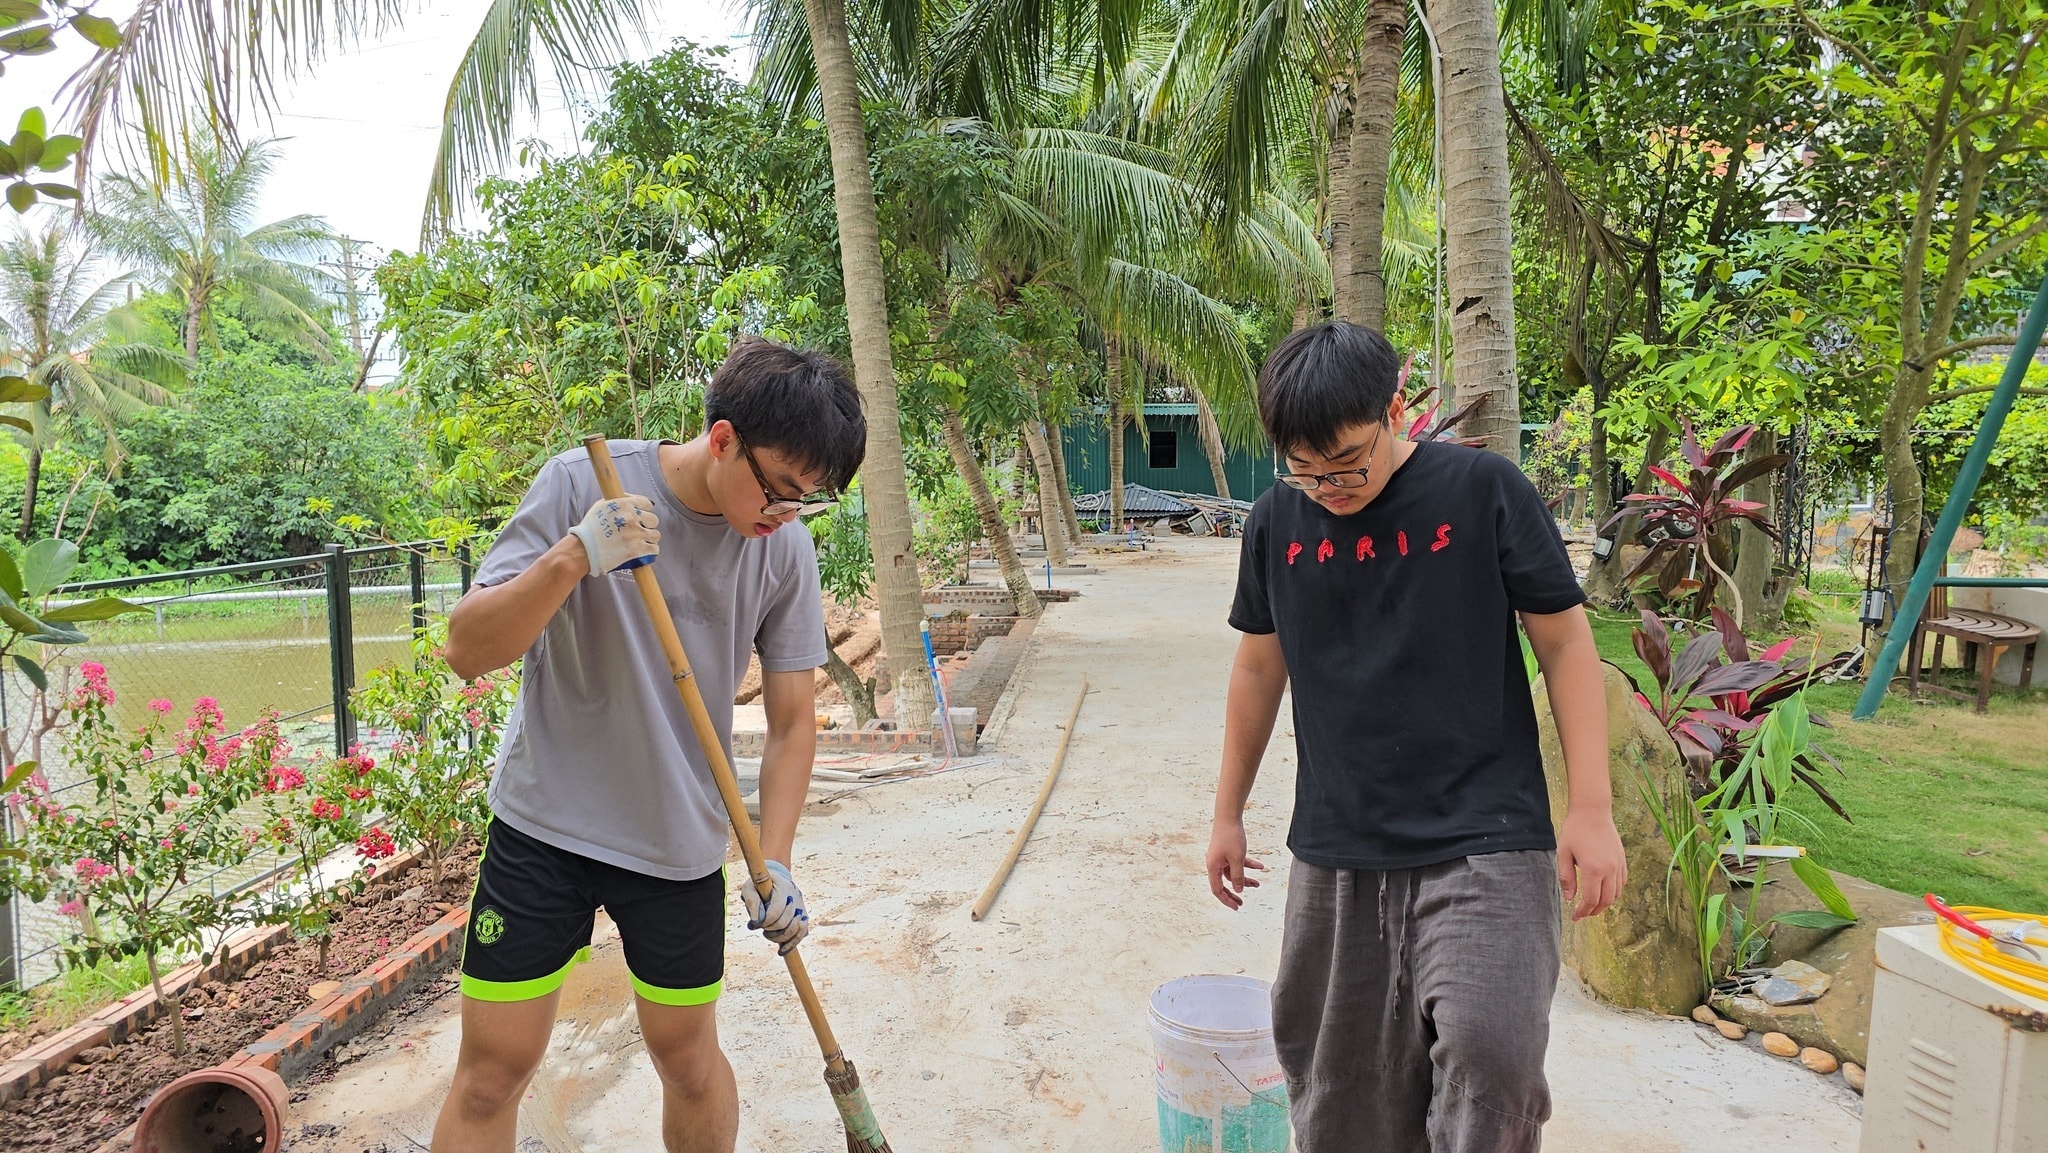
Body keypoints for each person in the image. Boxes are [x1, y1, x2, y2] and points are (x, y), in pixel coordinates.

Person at [431, 339, 865, 1153]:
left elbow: (793, 721)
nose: (783, 515)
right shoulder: (581, 483)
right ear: (725, 437)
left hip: (679, 841)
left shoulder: (784, 551)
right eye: (778, 491)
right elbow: (465, 648)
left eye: (807, 501)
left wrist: (776, 860)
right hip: (545, 826)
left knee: (690, 1063)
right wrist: (574, 556)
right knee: (492, 1071)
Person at [1205, 321, 1625, 1153]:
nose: (1330, 486)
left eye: (1351, 461)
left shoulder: (1484, 491)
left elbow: (1567, 644)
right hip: (1339, 843)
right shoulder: (1274, 521)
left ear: (1395, 407)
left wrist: (1593, 807)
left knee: (1492, 1054)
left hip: (1488, 834)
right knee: (1338, 1080)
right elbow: (1259, 670)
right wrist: (1228, 811)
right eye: (1305, 469)